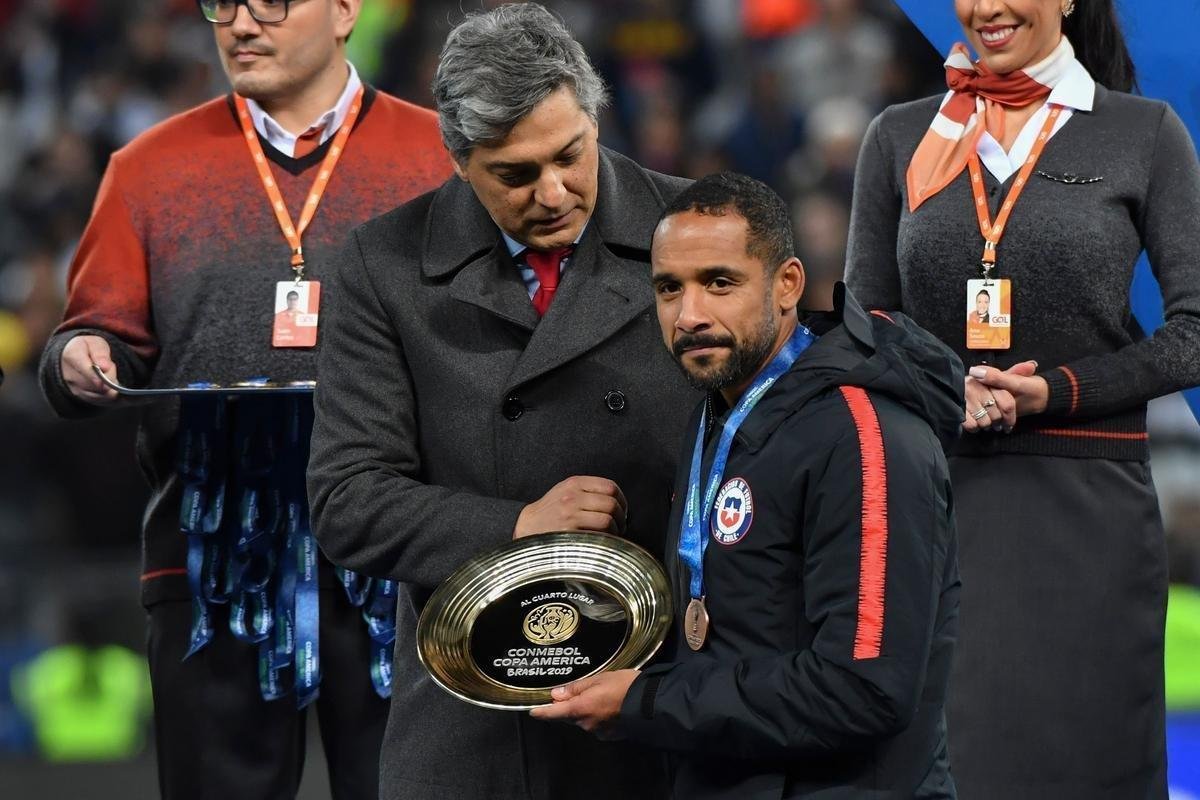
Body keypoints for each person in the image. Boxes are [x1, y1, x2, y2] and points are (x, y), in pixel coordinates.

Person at [37, 0, 451, 797]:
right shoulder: (147, 167)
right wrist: (81, 356)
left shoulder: (439, 157)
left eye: (271, 2)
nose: (241, 23)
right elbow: (90, 334)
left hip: (400, 554)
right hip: (212, 555)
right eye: (222, 3)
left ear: (343, 11)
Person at [305, 4, 697, 800]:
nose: (553, 193)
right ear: (457, 158)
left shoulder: (699, 228)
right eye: (515, 175)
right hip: (472, 731)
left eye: (570, 156)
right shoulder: (381, 266)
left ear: (594, 116)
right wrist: (521, 528)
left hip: (665, 710)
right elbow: (347, 501)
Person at [844, 1, 1200, 797]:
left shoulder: (1144, 132)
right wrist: (945, 381)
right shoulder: (898, 136)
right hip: (932, 504)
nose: (986, 8)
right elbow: (863, 325)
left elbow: (1194, 332)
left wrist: (1055, 392)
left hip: (1089, 513)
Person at [531, 172, 964, 798]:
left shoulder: (865, 435)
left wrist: (649, 702)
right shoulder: (718, 410)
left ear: (787, 284)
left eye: (719, 283)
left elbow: (865, 688)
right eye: (668, 289)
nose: (690, 315)